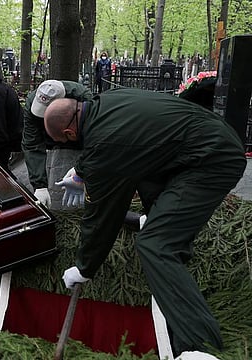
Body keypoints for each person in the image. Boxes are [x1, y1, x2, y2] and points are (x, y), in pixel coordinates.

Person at [43, 88, 246, 358]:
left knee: (155, 245)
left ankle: (200, 345)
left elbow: (102, 214)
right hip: (203, 143)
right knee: (144, 182)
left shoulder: (107, 143)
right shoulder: (106, 103)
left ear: (69, 134)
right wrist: (81, 172)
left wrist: (84, 267)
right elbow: (128, 142)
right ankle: (164, 232)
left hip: (212, 160)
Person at [22, 80, 93, 208]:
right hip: (51, 144)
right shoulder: (33, 103)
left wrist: (81, 169)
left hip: (76, 142)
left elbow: (93, 140)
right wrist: (40, 186)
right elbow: (32, 143)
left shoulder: (84, 100)